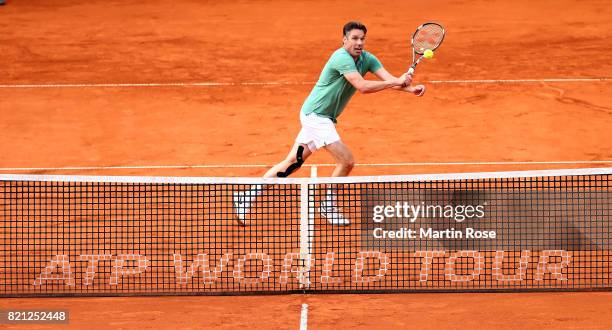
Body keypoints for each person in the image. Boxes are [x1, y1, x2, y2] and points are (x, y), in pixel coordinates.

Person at [234, 21, 426, 225]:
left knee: (293, 162)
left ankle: (247, 196)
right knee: (347, 161)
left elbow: (389, 80)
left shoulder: (368, 59)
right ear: (344, 40)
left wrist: (408, 88)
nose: (359, 42)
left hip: (319, 118)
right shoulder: (340, 58)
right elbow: (362, 86)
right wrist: (397, 81)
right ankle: (328, 205)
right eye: (354, 38)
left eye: (362, 39)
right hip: (316, 116)